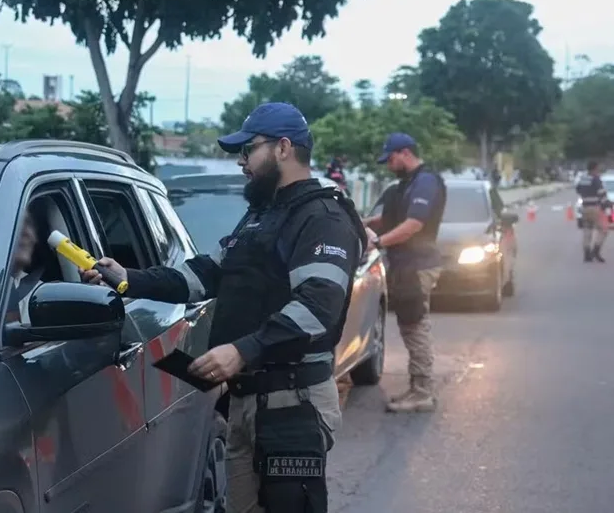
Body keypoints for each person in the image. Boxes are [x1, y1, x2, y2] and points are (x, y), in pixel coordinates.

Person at [81, 102, 367, 513]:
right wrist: (127, 277)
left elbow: (318, 307)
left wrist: (243, 349)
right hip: (245, 402)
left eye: (248, 150)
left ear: (283, 148)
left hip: (293, 406)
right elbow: (203, 275)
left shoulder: (322, 217)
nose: (241, 162)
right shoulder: (262, 216)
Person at [363, 133, 447, 413]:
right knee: (410, 325)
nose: (388, 165)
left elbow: (413, 225)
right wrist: (360, 222)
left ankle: (423, 392)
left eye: (390, 159)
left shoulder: (426, 182)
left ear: (405, 153)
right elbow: (390, 218)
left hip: (417, 264)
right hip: (405, 265)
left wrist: (378, 242)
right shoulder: (406, 184)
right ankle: (417, 388)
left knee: (415, 326)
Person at [575, 160, 609, 263]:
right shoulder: (596, 179)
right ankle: (596, 251)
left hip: (585, 208)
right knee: (604, 230)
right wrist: (607, 204)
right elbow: (601, 193)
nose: (598, 170)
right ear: (594, 168)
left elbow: (578, 189)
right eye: (597, 168)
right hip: (594, 208)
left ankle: (587, 254)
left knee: (587, 231)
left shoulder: (583, 179)